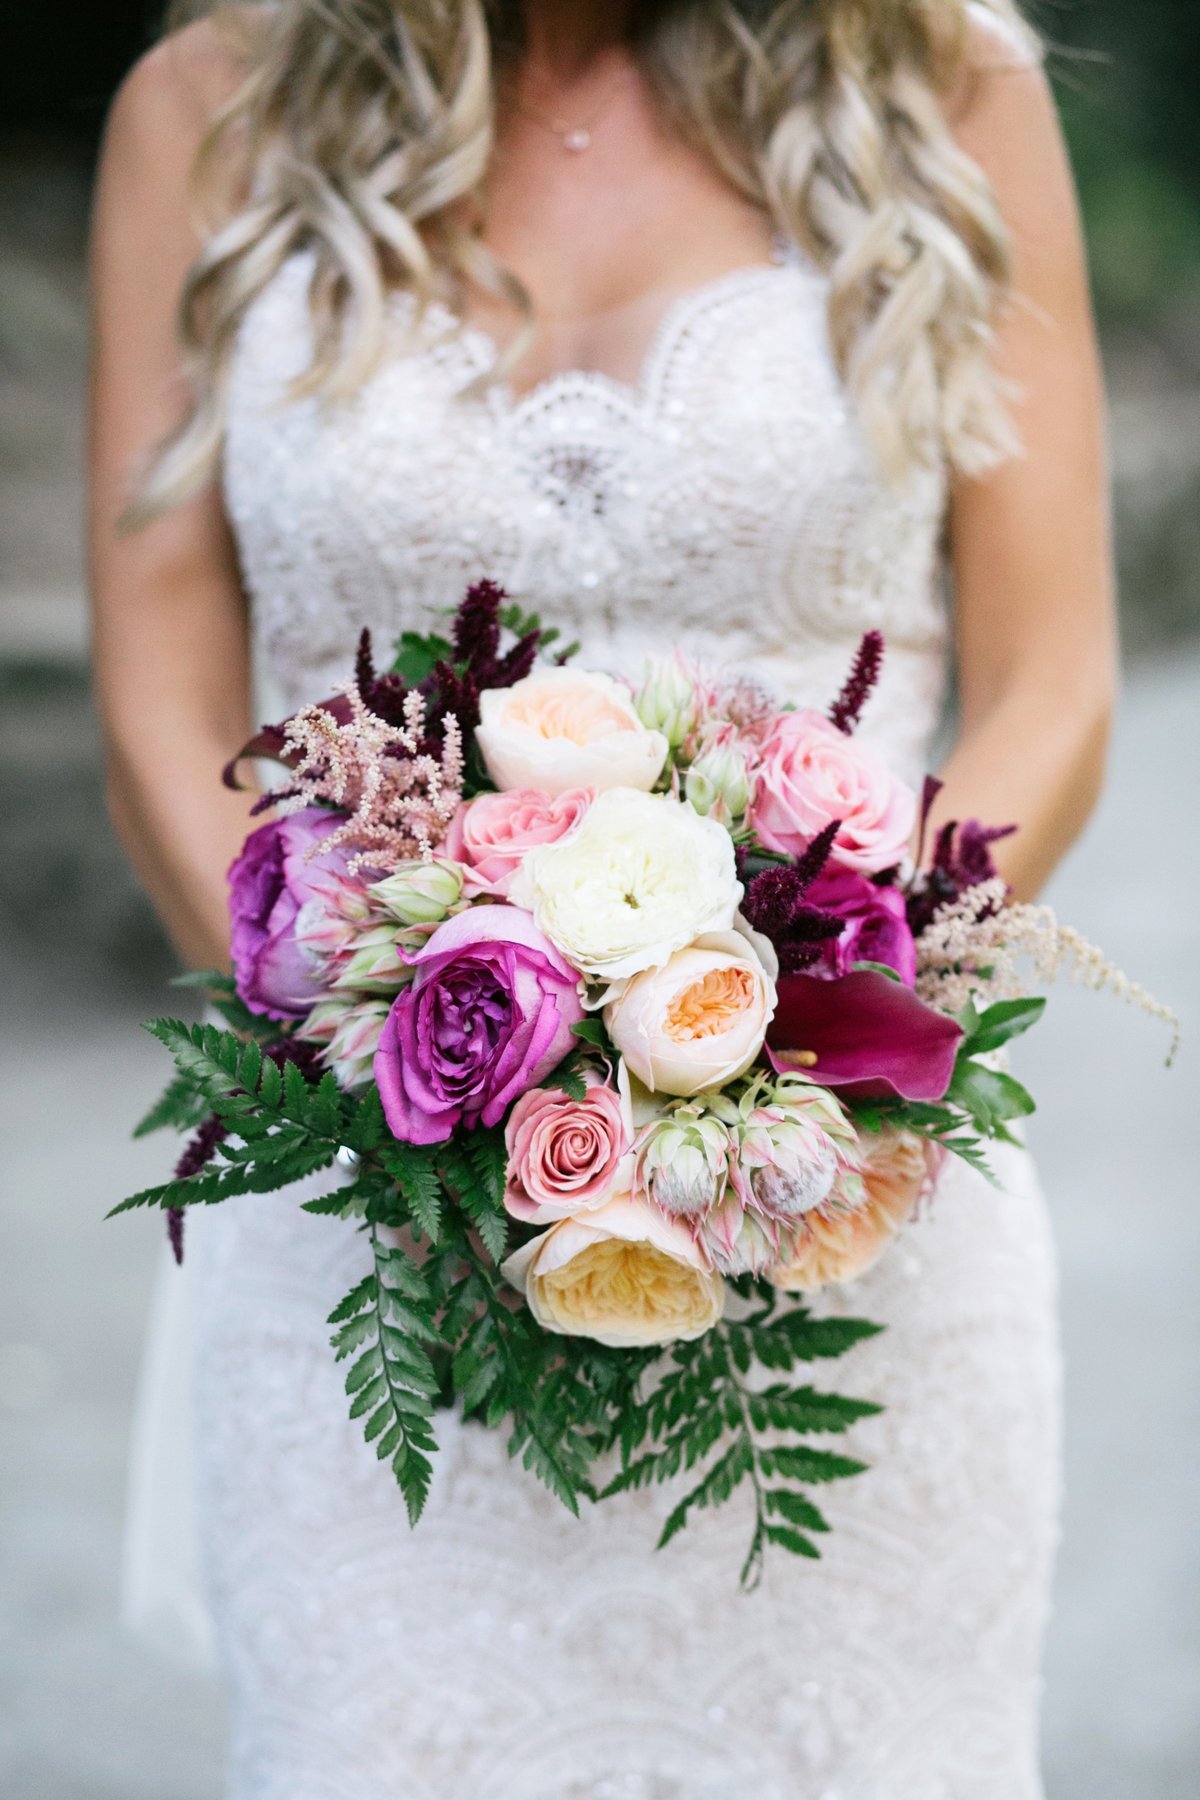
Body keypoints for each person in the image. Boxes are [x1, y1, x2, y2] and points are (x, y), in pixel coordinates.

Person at [89, 2, 1117, 1794]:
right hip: (375, 1206)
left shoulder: (945, 83)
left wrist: (795, 1038)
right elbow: (159, 706)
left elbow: (1057, 682)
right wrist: (378, 1076)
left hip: (835, 1192)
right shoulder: (209, 108)